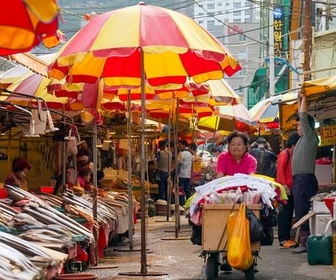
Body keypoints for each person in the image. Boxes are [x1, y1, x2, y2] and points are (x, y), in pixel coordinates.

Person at [290, 92, 319, 254]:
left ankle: (305, 242)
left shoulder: (310, 136)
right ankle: (305, 241)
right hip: (300, 180)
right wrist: (299, 100)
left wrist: (304, 99)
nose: (298, 127)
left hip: (304, 180)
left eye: (300, 125)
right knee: (301, 210)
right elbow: (301, 116)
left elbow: (303, 116)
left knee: (303, 211)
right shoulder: (302, 139)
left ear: (307, 126)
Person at [276, 132, 300, 249]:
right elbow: (280, 171)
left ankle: (286, 238)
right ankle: (283, 239)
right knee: (284, 214)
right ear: (293, 144)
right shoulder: (285, 154)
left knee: (289, 213)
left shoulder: (294, 155)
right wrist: (284, 186)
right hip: (284, 189)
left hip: (291, 188)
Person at [177, 139, 193, 205]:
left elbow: (179, 165)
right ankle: (189, 203)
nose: (178, 146)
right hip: (187, 175)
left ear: (183, 145)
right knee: (187, 190)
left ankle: (181, 203)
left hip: (181, 175)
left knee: (180, 190)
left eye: (180, 144)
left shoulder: (181, 154)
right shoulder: (190, 154)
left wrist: (177, 174)